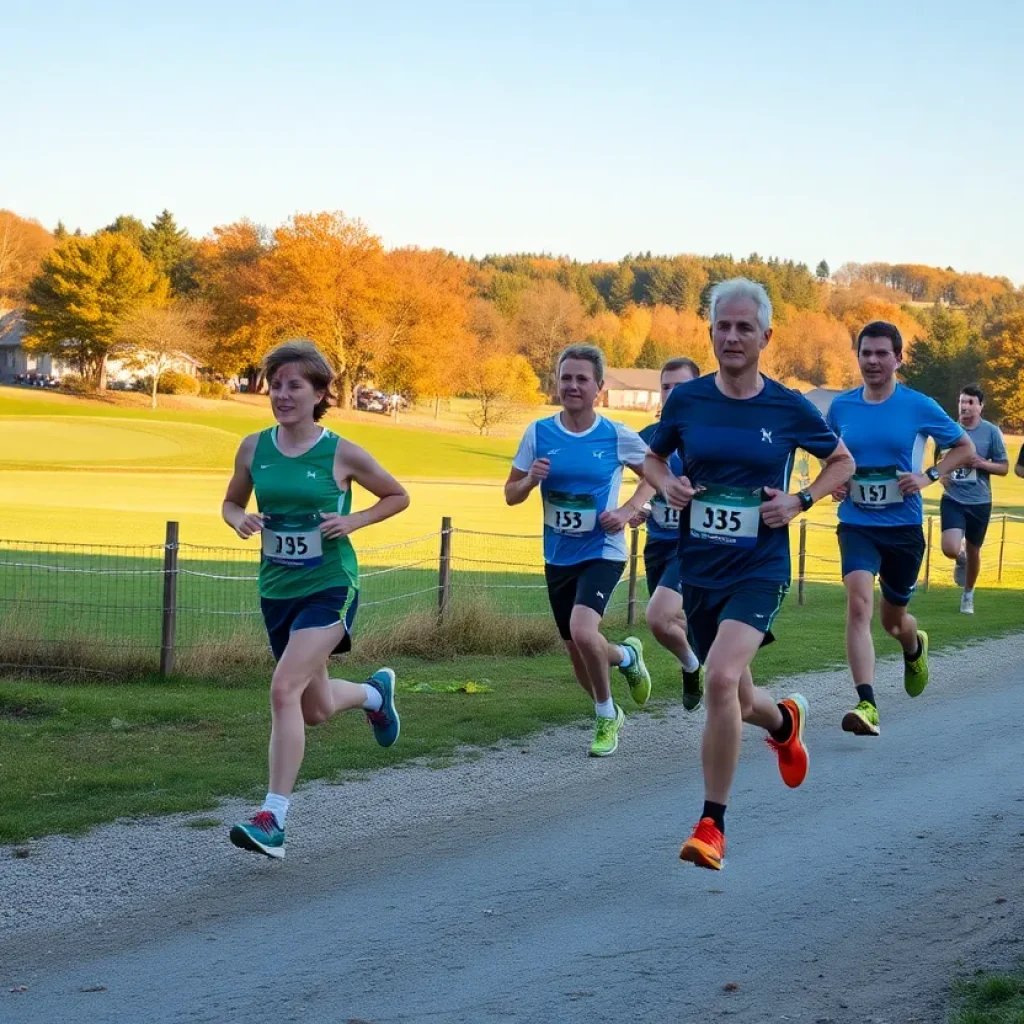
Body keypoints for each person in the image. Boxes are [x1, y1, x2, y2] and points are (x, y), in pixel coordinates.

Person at [644, 279, 854, 870]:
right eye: (722, 326)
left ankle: (712, 824)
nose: (731, 336)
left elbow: (843, 462)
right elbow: (654, 460)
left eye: (744, 327)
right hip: (700, 563)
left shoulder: (788, 407)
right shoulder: (687, 402)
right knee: (736, 693)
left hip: (761, 566)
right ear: (710, 332)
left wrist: (800, 500)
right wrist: (669, 486)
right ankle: (784, 720)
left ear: (766, 336)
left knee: (718, 679)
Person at [221, 340, 410, 859]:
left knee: (283, 689)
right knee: (316, 709)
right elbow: (231, 501)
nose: (282, 395)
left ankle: (273, 819)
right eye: (275, 385)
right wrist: (241, 519)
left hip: (330, 584)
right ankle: (374, 695)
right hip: (276, 589)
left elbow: (397, 495)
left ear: (320, 393)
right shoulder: (252, 447)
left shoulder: (341, 451)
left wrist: (354, 520)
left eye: (294, 386)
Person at [827, 322, 974, 738]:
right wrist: (835, 481)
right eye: (865, 353)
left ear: (898, 359)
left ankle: (914, 646)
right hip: (856, 523)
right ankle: (867, 703)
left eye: (881, 354)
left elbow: (965, 448)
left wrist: (929, 474)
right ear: (857, 356)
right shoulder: (841, 407)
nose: (872, 361)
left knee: (895, 621)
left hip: (903, 529)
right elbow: (831, 454)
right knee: (858, 606)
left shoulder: (918, 405)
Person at [505, 344, 653, 758]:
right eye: (565, 377)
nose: (572, 385)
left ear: (599, 387)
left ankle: (606, 716)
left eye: (581, 379)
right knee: (578, 655)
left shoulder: (616, 434)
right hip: (558, 555)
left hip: (603, 549)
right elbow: (510, 495)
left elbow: (654, 476)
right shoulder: (538, 433)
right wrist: (530, 481)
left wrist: (626, 511)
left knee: (585, 632)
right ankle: (625, 656)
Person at [637, 358, 705, 711]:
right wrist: (636, 509)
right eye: (666, 387)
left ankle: (710, 671)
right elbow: (642, 481)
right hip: (658, 543)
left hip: (694, 545)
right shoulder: (649, 437)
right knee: (667, 623)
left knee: (659, 616)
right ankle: (693, 666)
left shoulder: (707, 438)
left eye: (681, 387)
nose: (672, 393)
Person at [937, 385, 1008, 614]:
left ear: (980, 406)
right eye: (962, 401)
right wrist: (942, 474)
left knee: (974, 549)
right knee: (949, 547)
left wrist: (981, 463)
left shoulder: (991, 432)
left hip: (979, 501)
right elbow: (938, 460)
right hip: (953, 498)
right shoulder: (949, 430)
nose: (964, 406)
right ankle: (960, 557)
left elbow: (1004, 467)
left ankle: (968, 594)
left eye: (970, 402)